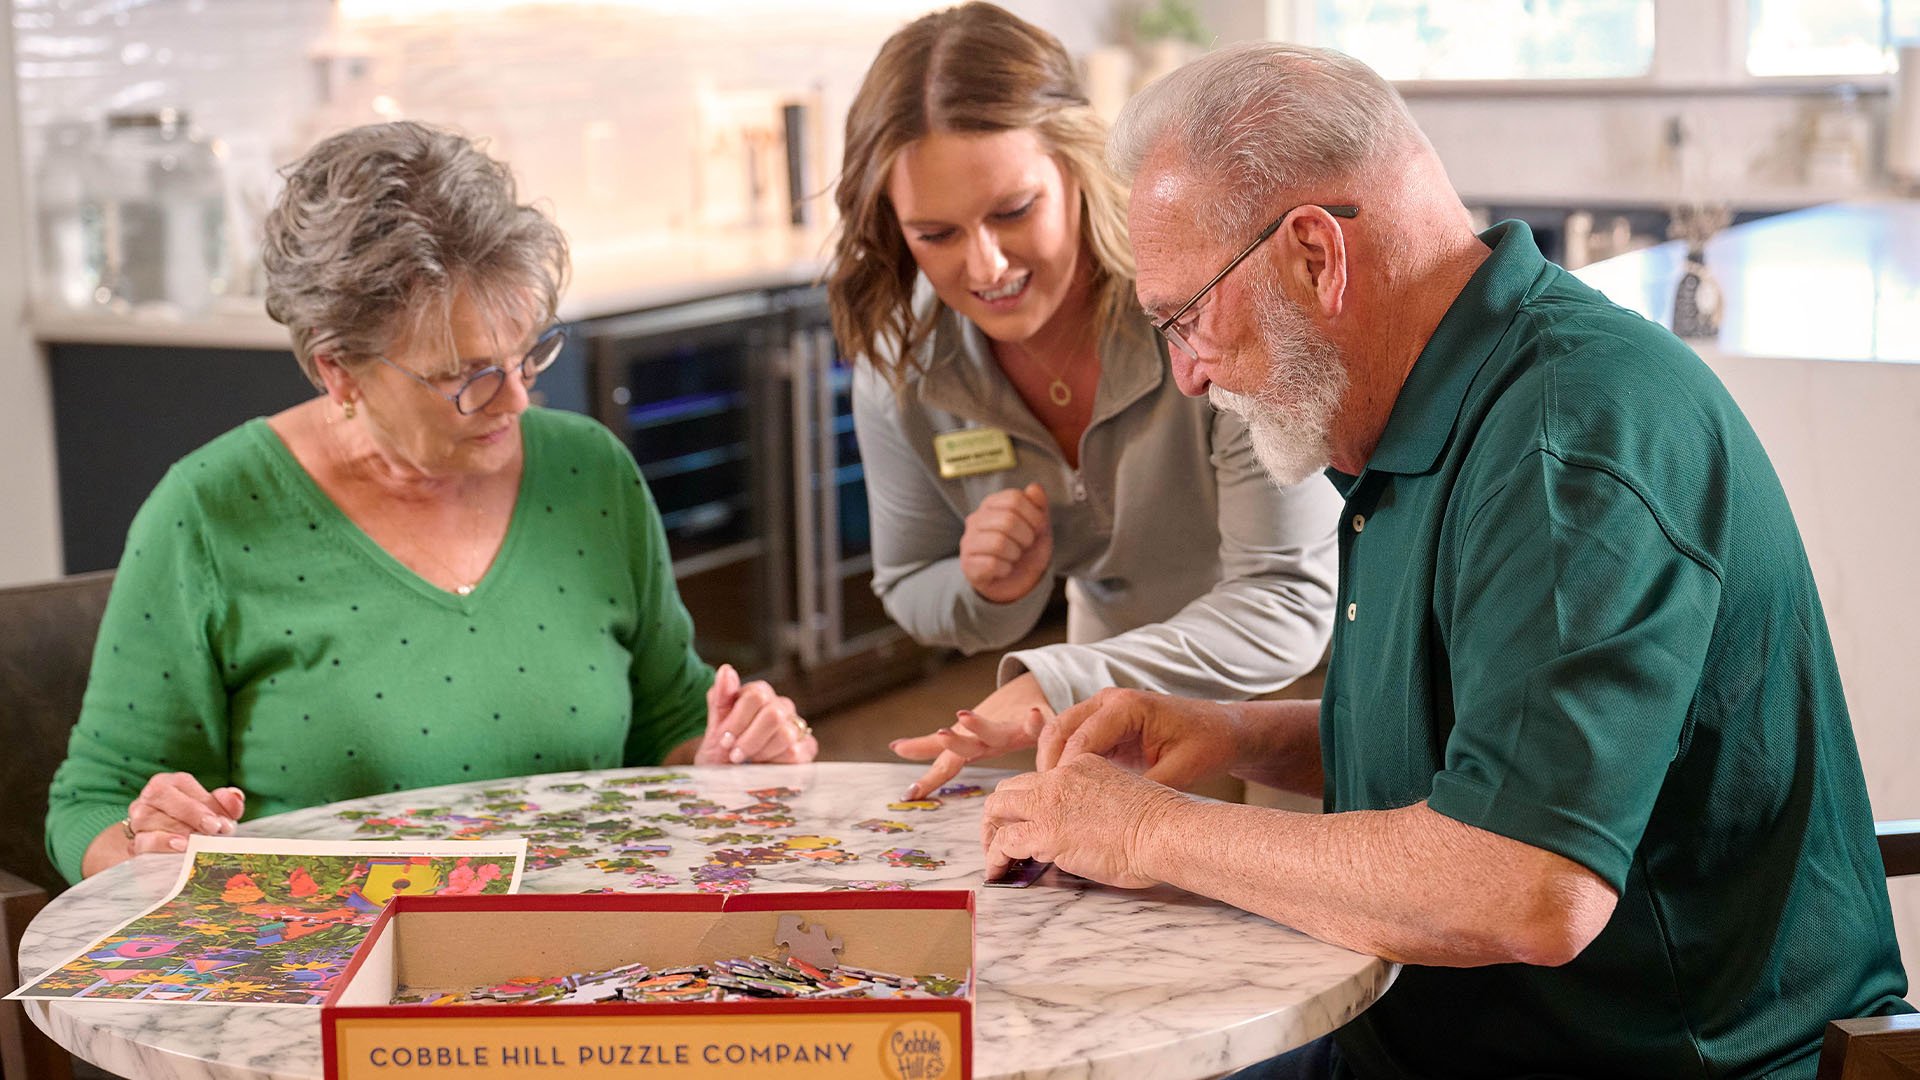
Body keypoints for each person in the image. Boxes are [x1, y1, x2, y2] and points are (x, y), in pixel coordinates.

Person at [980, 43, 1912, 1079]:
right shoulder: (1423, 412)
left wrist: (1147, 833)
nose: (1187, 376)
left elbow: (1524, 881)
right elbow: (1487, 757)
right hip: (1425, 1033)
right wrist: (1235, 735)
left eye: (1184, 319)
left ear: (1313, 256)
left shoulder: (1570, 445)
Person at [45, 121, 816, 884]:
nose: (515, 398)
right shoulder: (209, 514)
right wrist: (147, 843)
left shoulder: (591, 473)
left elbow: (668, 722)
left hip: (590, 951)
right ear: (338, 370)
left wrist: (726, 755)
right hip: (336, 970)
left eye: (527, 355)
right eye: (465, 375)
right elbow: (92, 804)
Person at [826, 2, 1340, 800]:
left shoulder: (1209, 298)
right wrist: (987, 589)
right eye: (936, 234)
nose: (986, 264)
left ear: (1075, 167)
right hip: (1111, 689)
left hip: (1304, 699)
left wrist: (1056, 683)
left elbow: (1285, 597)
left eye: (1013, 211)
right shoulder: (901, 372)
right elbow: (911, 584)